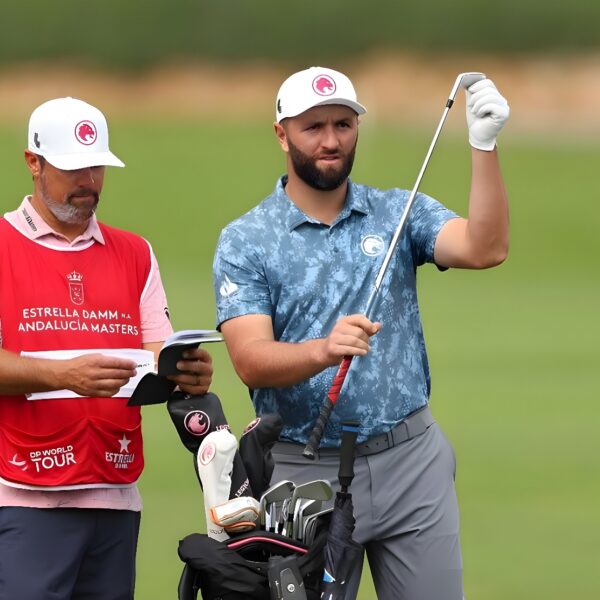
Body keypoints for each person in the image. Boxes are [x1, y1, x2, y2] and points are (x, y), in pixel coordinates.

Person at [213, 66, 509, 599]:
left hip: (410, 459)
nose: (331, 140)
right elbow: (250, 359)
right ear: (282, 134)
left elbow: (484, 248)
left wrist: (482, 146)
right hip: (303, 470)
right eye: (313, 127)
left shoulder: (398, 212)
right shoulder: (247, 239)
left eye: (343, 125)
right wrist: (323, 350)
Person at [0, 97, 213, 600]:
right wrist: (60, 376)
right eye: (73, 167)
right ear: (34, 162)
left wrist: (188, 373)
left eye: (96, 166)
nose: (88, 181)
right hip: (24, 497)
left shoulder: (135, 252)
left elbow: (159, 352)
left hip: (116, 494)